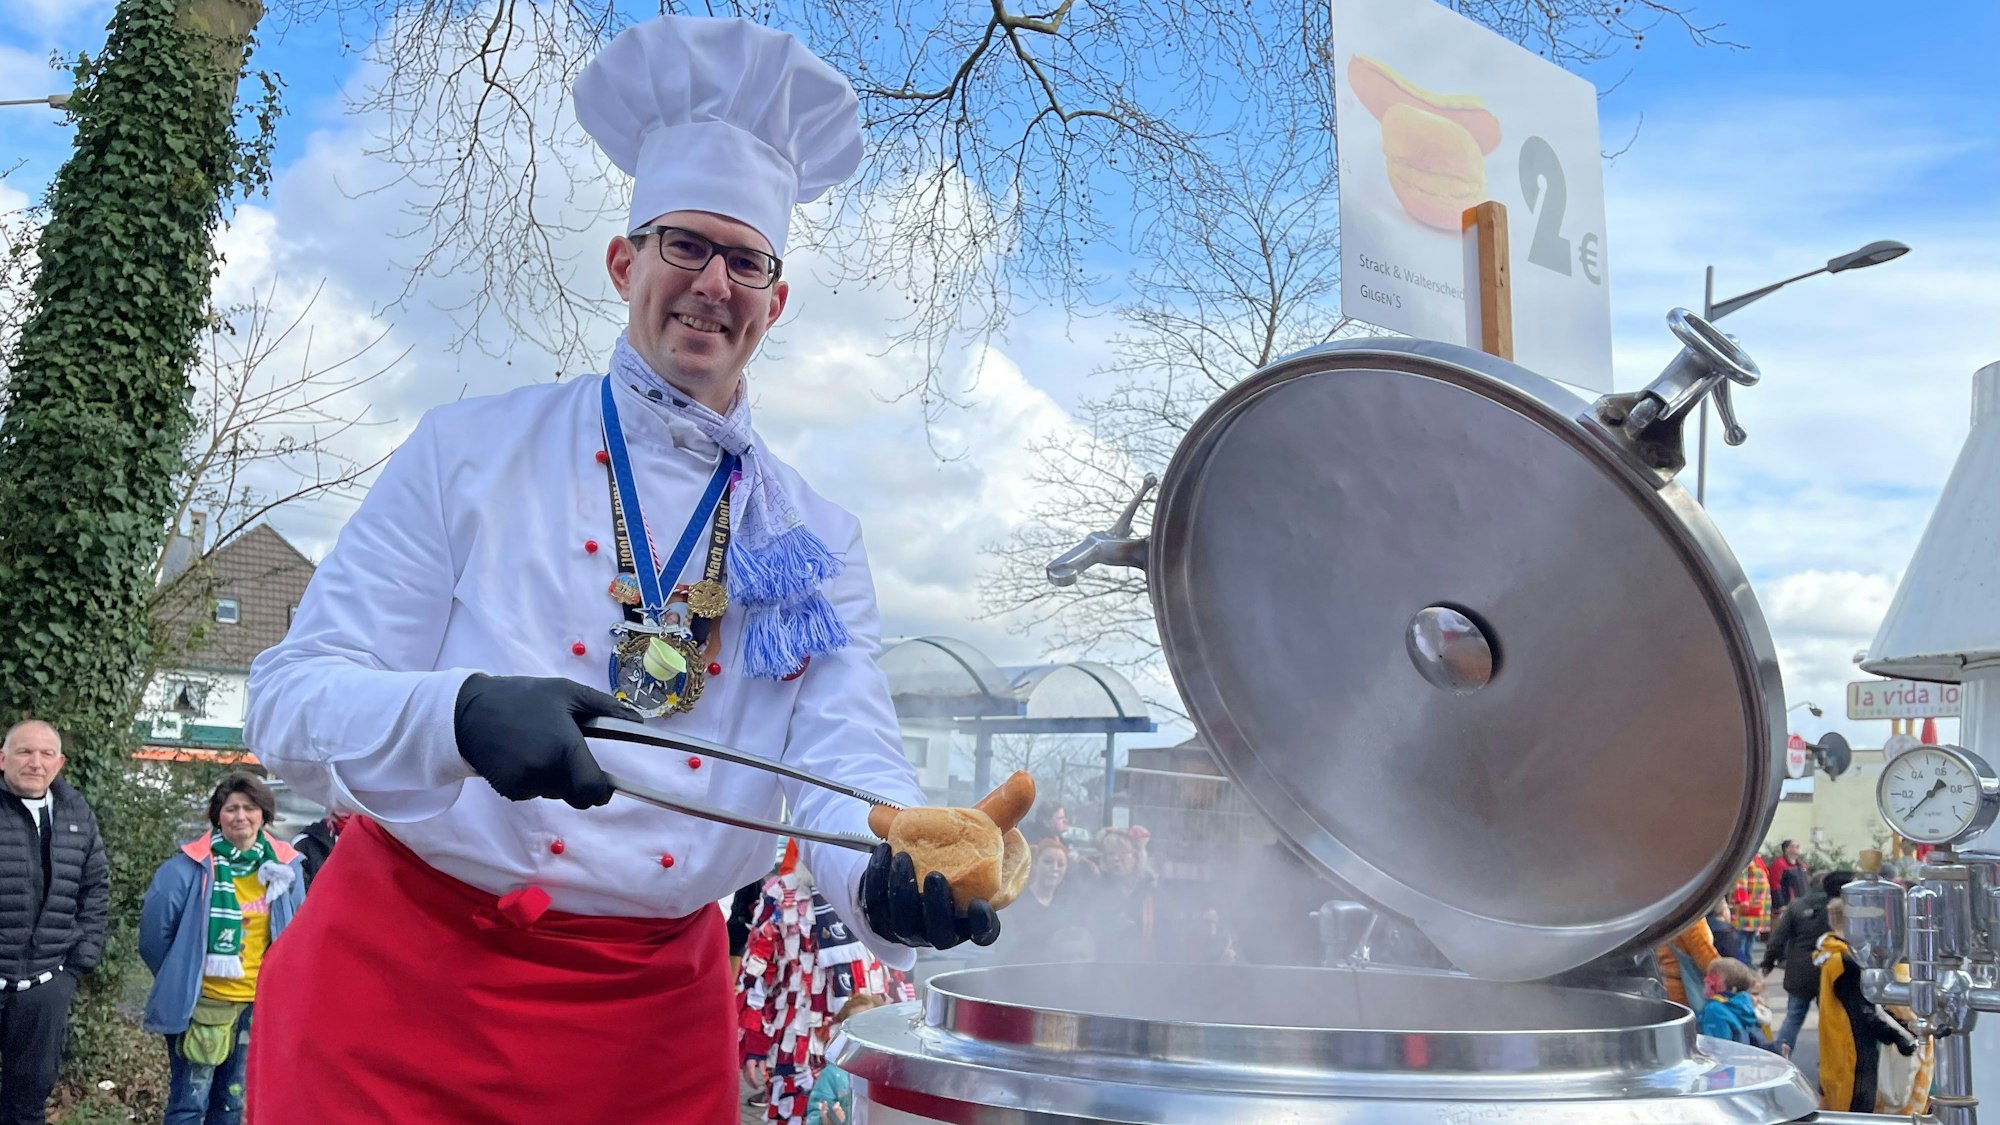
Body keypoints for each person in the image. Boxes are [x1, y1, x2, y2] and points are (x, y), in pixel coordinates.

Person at [237, 23, 1000, 1119]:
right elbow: (290, 701)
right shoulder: (468, 451)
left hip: (648, 1029)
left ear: (775, 302)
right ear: (622, 263)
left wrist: (892, 878)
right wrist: (457, 716)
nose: (712, 283)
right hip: (399, 992)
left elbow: (844, 754)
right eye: (684, 245)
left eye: (746, 261)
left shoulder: (814, 538)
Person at [140, 773, 307, 1125]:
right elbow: (155, 938)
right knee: (189, 1104)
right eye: (231, 808)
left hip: (256, 1007)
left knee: (231, 1104)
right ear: (218, 816)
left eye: (249, 807)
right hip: (203, 1005)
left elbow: (296, 934)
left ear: (264, 814)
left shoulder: (284, 870)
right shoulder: (186, 869)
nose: (240, 816)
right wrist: (182, 976)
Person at [737, 845, 913, 1123]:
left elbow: (893, 969)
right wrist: (754, 1045)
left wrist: (904, 1034)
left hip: (864, 1040)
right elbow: (756, 974)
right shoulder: (780, 895)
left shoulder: (873, 893)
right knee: (799, 1113)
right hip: (798, 1042)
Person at [0, 720, 107, 1125]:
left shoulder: (76, 813)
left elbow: (95, 888)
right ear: (3, 759)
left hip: (45, 988)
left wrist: (78, 963)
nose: (36, 762)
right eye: (25, 752)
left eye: (46, 754)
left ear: (59, 763)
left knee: (27, 1103)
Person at [1816, 898, 1915, 1112]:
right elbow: (1865, 1012)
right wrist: (1898, 1037)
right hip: (1853, 1053)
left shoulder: (1829, 954)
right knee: (1857, 1111)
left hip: (1835, 1048)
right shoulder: (1845, 962)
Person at [1763, 869, 1853, 1056]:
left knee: (1793, 1017)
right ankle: (1830, 1057)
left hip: (1800, 970)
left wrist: (1768, 962)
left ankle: (1781, 1052)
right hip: (1829, 966)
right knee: (1831, 1018)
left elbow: (1779, 937)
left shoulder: (1796, 906)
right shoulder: (1839, 907)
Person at [804, 992, 887, 1125]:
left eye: (868, 1024)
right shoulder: (833, 1075)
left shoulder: (893, 1071)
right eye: (855, 1026)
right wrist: (825, 1120)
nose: (862, 1032)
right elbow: (815, 1115)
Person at [1697, 957, 1773, 1050]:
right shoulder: (1744, 1005)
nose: (1707, 981)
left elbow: (1717, 1048)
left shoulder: (1714, 1009)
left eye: (1713, 978)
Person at [1655, 915, 1722, 1012]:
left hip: (1669, 987)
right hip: (1687, 991)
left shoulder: (1668, 914)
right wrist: (1731, 975)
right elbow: (1705, 958)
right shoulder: (1692, 919)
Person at [1732, 856, 1772, 961]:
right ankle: (1742, 962)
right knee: (1743, 938)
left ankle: (1747, 960)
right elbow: (1740, 882)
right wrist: (1743, 902)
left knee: (1750, 938)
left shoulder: (1755, 860)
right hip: (1747, 910)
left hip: (1756, 910)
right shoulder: (1747, 860)